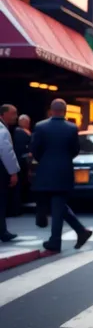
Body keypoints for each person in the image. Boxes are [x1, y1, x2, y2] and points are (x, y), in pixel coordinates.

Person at [30, 99, 92, 252]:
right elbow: (75, 149)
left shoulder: (40, 126)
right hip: (64, 170)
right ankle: (80, 231)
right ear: (65, 111)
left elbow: (35, 149)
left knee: (55, 205)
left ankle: (56, 240)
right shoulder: (72, 128)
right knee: (59, 205)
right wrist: (64, 159)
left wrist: (44, 160)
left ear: (51, 110)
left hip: (45, 170)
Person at [0, 104, 20, 242]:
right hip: (1, 170)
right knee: (1, 202)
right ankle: (2, 232)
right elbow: (6, 152)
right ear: (4, 114)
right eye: (13, 113)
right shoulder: (2, 130)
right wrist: (13, 172)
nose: (16, 116)